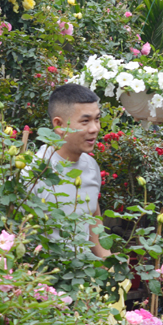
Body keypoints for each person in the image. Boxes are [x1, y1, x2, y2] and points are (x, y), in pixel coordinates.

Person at [33, 83, 111, 257]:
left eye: (97, 119)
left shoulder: (91, 166)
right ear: (59, 125)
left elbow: (93, 220)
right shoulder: (34, 172)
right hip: (46, 271)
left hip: (85, 270)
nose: (95, 128)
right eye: (85, 121)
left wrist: (110, 264)